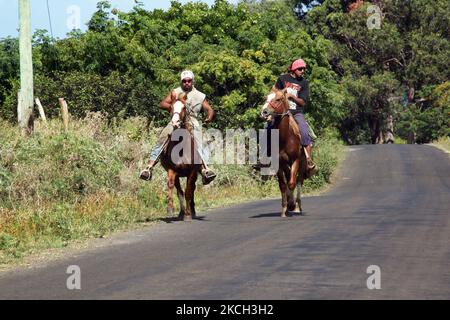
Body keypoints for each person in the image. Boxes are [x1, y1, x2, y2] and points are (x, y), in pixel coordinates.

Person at [139, 70, 217, 185]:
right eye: (184, 81)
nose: (186, 83)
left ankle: (205, 169)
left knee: (200, 140)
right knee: (163, 137)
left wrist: (209, 116)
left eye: (189, 81)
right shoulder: (175, 92)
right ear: (181, 81)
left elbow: (209, 108)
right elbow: (162, 104)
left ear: (192, 81)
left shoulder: (200, 96)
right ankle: (149, 167)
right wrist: (173, 107)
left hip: (192, 122)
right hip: (176, 120)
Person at [272, 58, 316, 171]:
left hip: (296, 112)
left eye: (304, 69)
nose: (303, 71)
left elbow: (303, 102)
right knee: (268, 127)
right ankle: (264, 157)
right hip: (281, 112)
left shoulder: (304, 83)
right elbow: (274, 93)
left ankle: (308, 160)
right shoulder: (283, 79)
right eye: (300, 69)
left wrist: (292, 96)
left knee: (304, 132)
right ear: (294, 69)